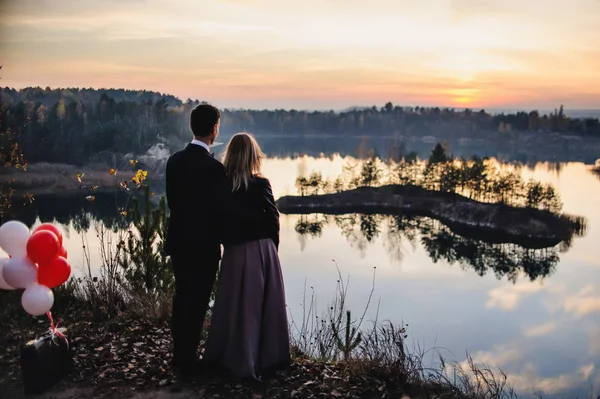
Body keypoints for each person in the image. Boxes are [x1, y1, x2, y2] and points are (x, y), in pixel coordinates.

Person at [203, 132, 290, 381]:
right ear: (253, 156)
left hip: (233, 252)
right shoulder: (261, 184)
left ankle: (231, 356)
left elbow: (216, 220)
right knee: (261, 307)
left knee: (235, 306)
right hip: (261, 251)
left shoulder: (221, 184)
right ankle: (262, 359)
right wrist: (272, 248)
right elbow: (273, 218)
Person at [164, 103, 225, 377]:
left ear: (191, 127)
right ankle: (188, 360)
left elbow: (173, 203)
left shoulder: (174, 161)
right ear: (214, 129)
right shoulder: (215, 169)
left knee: (182, 295)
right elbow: (218, 211)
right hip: (204, 246)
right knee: (198, 301)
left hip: (179, 241)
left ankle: (180, 354)